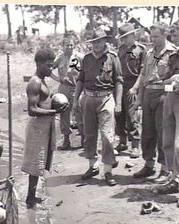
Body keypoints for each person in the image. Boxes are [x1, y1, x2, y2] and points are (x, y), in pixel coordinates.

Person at [73, 27, 123, 186]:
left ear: (105, 42)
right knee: (89, 134)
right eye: (93, 42)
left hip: (106, 99)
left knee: (108, 135)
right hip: (87, 98)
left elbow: (119, 81)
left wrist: (119, 102)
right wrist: (75, 100)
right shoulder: (86, 59)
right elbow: (80, 80)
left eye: (99, 41)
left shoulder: (113, 58)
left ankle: (108, 171)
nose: (96, 45)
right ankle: (92, 166)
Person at [129, 22, 177, 182]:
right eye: (152, 36)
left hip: (164, 95)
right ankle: (149, 165)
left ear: (165, 35)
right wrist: (139, 99)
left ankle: (165, 168)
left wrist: (166, 93)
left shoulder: (173, 53)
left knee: (164, 133)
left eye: (156, 36)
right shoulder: (149, 53)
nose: (153, 39)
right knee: (147, 132)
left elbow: (175, 80)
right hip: (148, 94)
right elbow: (143, 76)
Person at [21, 48, 68, 208]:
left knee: (41, 162)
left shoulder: (42, 80)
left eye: (52, 65)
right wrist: (55, 110)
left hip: (46, 126)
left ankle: (32, 196)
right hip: (37, 128)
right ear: (39, 64)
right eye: (48, 66)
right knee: (35, 164)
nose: (51, 69)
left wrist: (54, 101)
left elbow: (43, 102)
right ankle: (30, 199)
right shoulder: (35, 82)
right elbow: (32, 110)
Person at [115, 23, 147, 158]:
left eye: (126, 37)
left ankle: (135, 145)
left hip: (133, 85)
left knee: (132, 116)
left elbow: (143, 71)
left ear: (133, 35)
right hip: (120, 85)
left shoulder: (141, 49)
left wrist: (135, 87)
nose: (124, 40)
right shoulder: (120, 49)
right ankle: (122, 142)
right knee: (119, 114)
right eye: (122, 37)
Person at [154, 23, 179, 194]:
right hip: (171, 99)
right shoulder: (173, 57)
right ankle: (174, 178)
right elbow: (166, 83)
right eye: (172, 33)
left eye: (176, 33)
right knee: (167, 141)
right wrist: (165, 78)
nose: (173, 36)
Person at [51, 37, 84, 149]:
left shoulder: (80, 57)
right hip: (64, 88)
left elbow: (87, 70)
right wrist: (58, 79)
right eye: (67, 45)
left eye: (71, 45)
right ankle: (66, 140)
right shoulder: (59, 58)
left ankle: (84, 139)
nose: (69, 47)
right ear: (63, 46)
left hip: (77, 88)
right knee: (64, 113)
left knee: (79, 112)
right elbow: (49, 69)